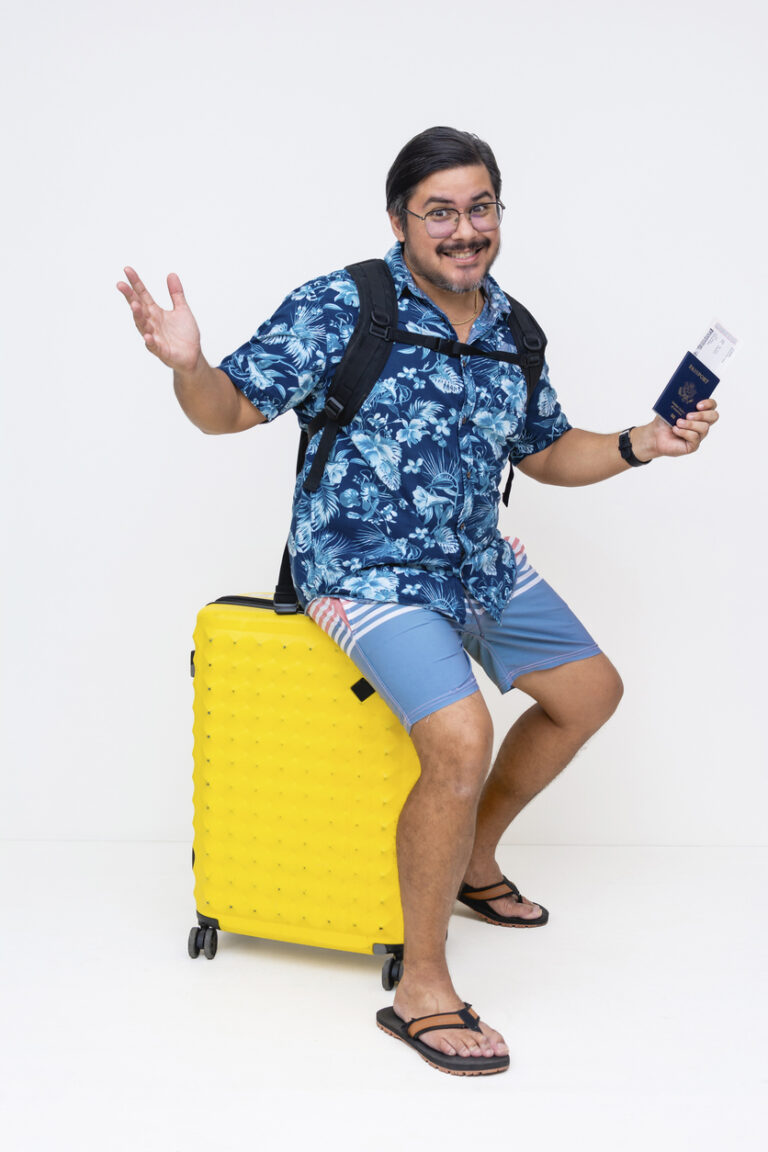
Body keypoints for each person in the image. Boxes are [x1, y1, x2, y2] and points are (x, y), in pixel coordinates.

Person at [117, 126, 718, 1077]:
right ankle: (423, 985)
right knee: (460, 737)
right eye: (440, 211)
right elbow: (228, 408)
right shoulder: (342, 305)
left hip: (475, 561)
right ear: (401, 220)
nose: (464, 229)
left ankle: (473, 859)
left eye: (481, 207)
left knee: (591, 692)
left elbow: (546, 452)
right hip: (364, 571)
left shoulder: (516, 328)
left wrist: (645, 441)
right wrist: (189, 366)